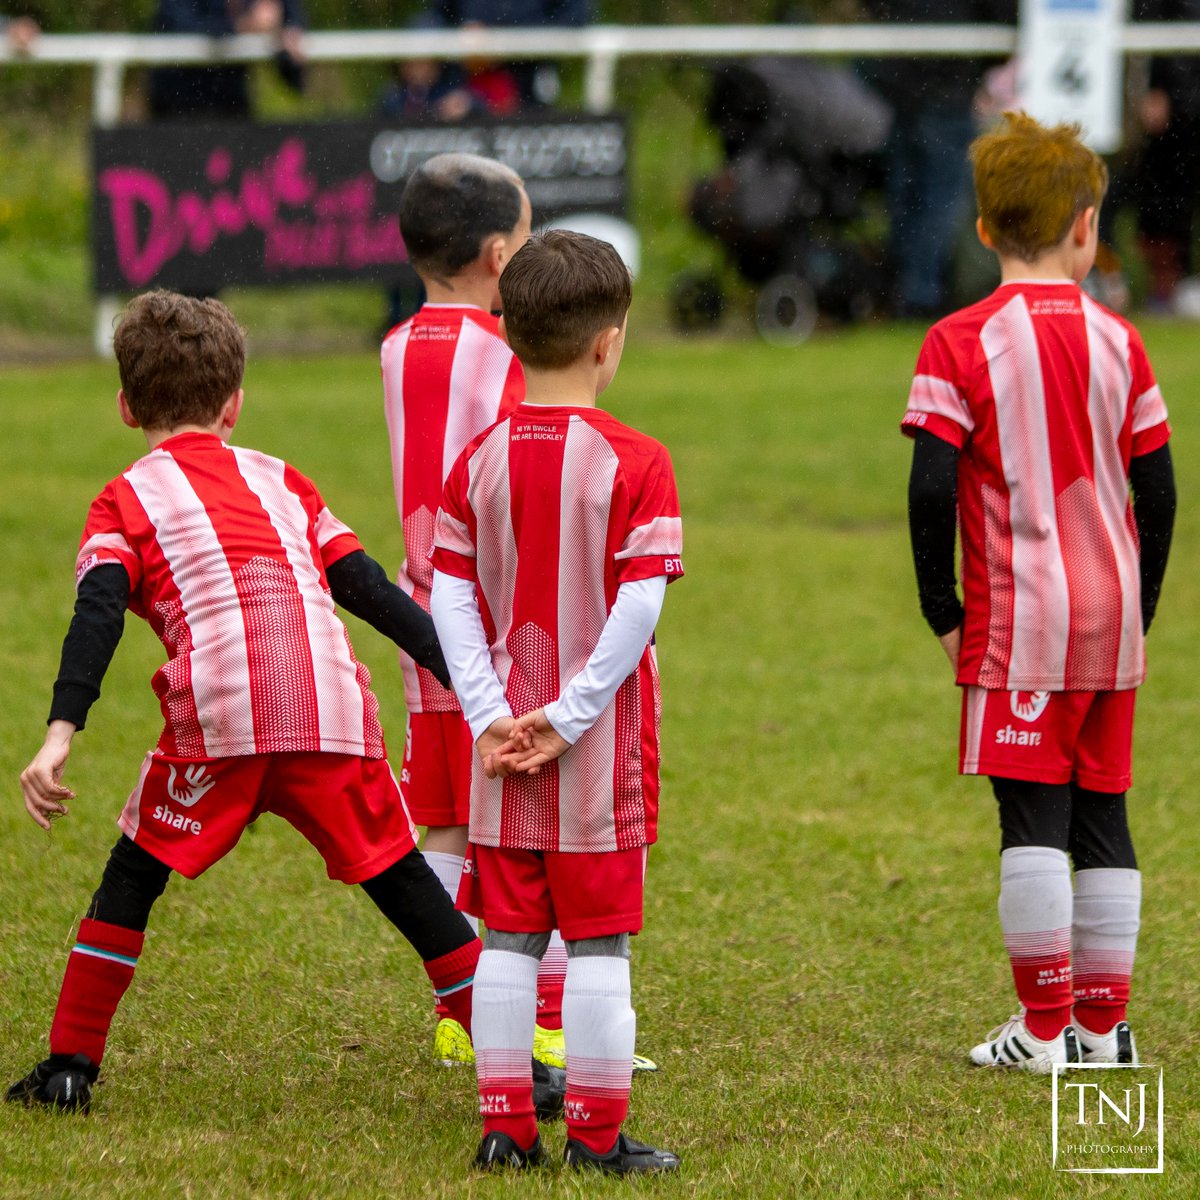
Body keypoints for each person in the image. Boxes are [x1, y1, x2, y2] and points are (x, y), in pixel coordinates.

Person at [5, 291, 566, 1118]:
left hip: (220, 721)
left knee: (131, 878)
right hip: (331, 714)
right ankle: (517, 1068)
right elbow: (370, 591)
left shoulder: (123, 501)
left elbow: (96, 618)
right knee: (408, 885)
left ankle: (68, 1068)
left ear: (126, 406)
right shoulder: (284, 483)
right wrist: (472, 682)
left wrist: (59, 736)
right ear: (236, 403)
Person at [902, 112, 1176, 1072]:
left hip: (1022, 622)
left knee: (1033, 821)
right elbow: (1162, 489)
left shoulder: (958, 341)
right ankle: (1105, 1032)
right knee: (1105, 813)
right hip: (1111, 617)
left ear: (983, 230)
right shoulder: (1123, 340)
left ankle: (1048, 1030)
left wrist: (943, 609)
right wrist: (1137, 612)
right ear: (1087, 227)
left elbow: (932, 488)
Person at [430, 230, 682, 1172]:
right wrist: (568, 718)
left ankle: (506, 1130)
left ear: (510, 336)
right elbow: (640, 602)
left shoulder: (479, 459)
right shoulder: (637, 461)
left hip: (500, 748)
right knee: (601, 943)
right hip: (591, 750)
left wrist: (490, 711)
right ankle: (599, 1139)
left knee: (510, 937)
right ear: (608, 343)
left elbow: (447, 593)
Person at [382, 153, 581, 1071]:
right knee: (529, 827)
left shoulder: (395, 347)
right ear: (503, 257)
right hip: (497, 626)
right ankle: (543, 1024)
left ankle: (458, 1008)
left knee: (448, 824)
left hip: (419, 619)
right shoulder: (505, 356)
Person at [859, 0, 1017, 319]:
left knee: (907, 195)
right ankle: (919, 296)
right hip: (948, 83)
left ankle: (901, 291)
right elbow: (1004, 19)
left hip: (902, 83)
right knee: (939, 199)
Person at [148, 0, 306, 120]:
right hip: (179, 105)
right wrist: (242, 25)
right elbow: (179, 25)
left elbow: (289, 19)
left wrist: (289, 30)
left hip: (233, 102)